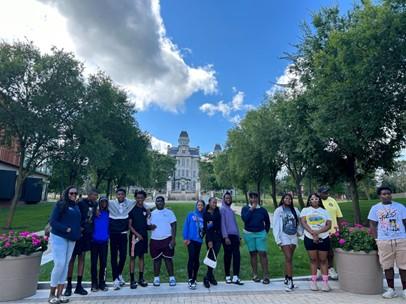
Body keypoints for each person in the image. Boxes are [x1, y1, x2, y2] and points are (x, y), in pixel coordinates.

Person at [368, 186, 406, 299]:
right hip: (384, 240)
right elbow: (372, 225)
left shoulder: (400, 207)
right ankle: (391, 289)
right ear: (380, 196)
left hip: (401, 239)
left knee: (404, 265)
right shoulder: (375, 208)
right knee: (387, 265)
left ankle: (405, 289)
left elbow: (405, 222)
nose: (387, 195)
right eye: (384, 194)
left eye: (388, 193)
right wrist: (377, 239)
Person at [48, 186, 81, 304]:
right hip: (59, 237)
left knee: (66, 264)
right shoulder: (60, 204)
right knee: (59, 264)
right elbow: (52, 221)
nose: (73, 195)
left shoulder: (76, 206)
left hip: (71, 239)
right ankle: (51, 294)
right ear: (67, 193)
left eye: (75, 193)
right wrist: (65, 229)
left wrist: (78, 231)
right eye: (71, 193)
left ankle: (60, 294)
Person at [64, 188, 99, 297]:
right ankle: (68, 286)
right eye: (95, 195)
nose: (96, 197)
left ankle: (79, 285)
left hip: (87, 235)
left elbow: (93, 215)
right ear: (89, 194)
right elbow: (74, 216)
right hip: (77, 234)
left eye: (97, 196)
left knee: (82, 258)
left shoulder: (94, 204)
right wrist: (78, 227)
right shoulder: (80, 203)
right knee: (72, 259)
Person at [300, 193, 332, 292]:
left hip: (323, 237)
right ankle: (313, 283)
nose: (314, 200)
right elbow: (303, 222)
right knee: (313, 260)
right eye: (312, 199)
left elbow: (328, 225)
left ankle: (325, 283)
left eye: (316, 198)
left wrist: (318, 232)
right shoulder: (305, 210)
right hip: (309, 237)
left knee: (323, 260)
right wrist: (313, 233)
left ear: (319, 200)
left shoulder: (324, 211)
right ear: (309, 200)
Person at [273, 193, 302, 291]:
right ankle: (290, 281)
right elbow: (275, 225)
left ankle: (286, 277)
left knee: (288, 259)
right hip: (284, 236)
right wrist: (278, 240)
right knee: (288, 258)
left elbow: (301, 220)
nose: (288, 200)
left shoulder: (295, 210)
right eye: (286, 198)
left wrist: (300, 232)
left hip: (293, 236)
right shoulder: (279, 210)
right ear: (282, 199)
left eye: (290, 199)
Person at [108, 188, 135, 290]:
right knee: (114, 257)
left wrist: (148, 209)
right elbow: (100, 203)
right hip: (114, 234)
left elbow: (140, 202)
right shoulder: (111, 203)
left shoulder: (129, 203)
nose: (120, 196)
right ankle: (115, 279)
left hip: (123, 234)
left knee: (123, 256)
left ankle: (119, 274)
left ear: (125, 195)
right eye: (119, 194)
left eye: (122, 194)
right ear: (116, 195)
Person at [241, 192, 271, 284]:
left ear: (258, 199)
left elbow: (267, 222)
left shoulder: (263, 210)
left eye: (255, 198)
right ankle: (255, 275)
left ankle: (266, 275)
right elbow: (245, 219)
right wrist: (251, 209)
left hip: (260, 233)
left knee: (262, 253)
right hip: (249, 234)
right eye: (252, 198)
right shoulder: (245, 209)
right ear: (249, 199)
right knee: (253, 254)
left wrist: (265, 232)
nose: (254, 200)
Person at [149, 196, 177, 287]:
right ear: (155, 203)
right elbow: (147, 226)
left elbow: (174, 225)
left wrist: (173, 239)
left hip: (167, 239)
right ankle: (156, 278)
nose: (159, 203)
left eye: (161, 201)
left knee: (168, 259)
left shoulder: (169, 212)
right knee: (156, 260)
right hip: (155, 240)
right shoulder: (152, 214)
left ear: (164, 203)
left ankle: (172, 278)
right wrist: (150, 227)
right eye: (157, 201)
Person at [318, 186, 343, 280]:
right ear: (319, 193)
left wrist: (341, 230)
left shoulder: (332, 200)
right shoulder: (317, 202)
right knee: (319, 252)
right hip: (320, 231)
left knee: (330, 252)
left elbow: (339, 215)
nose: (326, 194)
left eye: (327, 192)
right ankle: (319, 269)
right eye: (324, 192)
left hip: (333, 231)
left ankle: (330, 268)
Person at [128, 190, 151, 289]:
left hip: (144, 237)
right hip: (134, 238)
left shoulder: (146, 210)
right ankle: (132, 280)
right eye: (138, 198)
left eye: (141, 198)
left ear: (144, 198)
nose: (140, 199)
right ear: (135, 198)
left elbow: (146, 224)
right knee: (133, 257)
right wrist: (137, 234)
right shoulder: (132, 210)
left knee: (141, 257)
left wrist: (151, 226)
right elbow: (129, 226)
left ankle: (141, 278)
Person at [220, 191, 243, 285]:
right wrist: (225, 237)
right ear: (223, 199)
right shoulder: (222, 209)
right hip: (227, 236)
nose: (228, 200)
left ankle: (236, 277)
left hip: (234, 236)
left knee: (237, 256)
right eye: (226, 198)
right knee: (228, 256)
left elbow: (235, 224)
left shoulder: (230, 210)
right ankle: (227, 276)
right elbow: (222, 224)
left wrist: (239, 236)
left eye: (229, 198)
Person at [183, 200, 205, 290]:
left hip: (198, 241)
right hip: (190, 240)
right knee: (191, 257)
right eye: (198, 205)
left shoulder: (204, 216)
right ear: (196, 205)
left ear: (203, 206)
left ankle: (195, 278)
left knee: (196, 259)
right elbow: (186, 226)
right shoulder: (190, 214)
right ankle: (190, 279)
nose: (200, 206)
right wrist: (186, 238)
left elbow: (206, 228)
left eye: (201, 205)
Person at [90, 196, 109, 292]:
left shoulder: (109, 213)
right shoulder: (95, 213)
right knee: (93, 263)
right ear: (99, 203)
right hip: (94, 242)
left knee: (103, 263)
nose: (104, 204)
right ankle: (94, 283)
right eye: (102, 202)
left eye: (105, 202)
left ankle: (102, 282)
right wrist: (94, 210)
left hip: (104, 242)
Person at [202, 197, 222, 288]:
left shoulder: (218, 211)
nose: (215, 204)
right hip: (210, 237)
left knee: (214, 257)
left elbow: (218, 223)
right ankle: (208, 277)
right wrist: (209, 240)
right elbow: (207, 228)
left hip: (218, 237)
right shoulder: (205, 213)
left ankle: (208, 276)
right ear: (209, 203)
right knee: (210, 257)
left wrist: (212, 221)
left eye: (216, 202)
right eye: (213, 202)